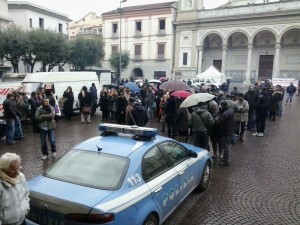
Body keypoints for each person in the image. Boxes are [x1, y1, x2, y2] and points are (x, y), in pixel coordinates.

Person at [0, 152, 30, 225]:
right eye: (12, 169)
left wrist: (26, 208)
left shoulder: (21, 176)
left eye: (18, 168)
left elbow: (26, 194)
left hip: (22, 222)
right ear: (3, 169)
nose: (17, 172)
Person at [215, 100, 235, 166]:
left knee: (226, 147)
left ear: (223, 105)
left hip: (225, 132)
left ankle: (226, 160)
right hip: (229, 131)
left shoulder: (226, 113)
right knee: (227, 146)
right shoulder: (230, 110)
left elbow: (220, 122)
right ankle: (225, 158)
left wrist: (217, 119)